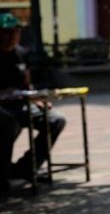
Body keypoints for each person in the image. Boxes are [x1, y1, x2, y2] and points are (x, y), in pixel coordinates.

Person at [0, 13, 66, 196]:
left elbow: (26, 83)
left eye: (15, 33)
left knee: (55, 120)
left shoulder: (21, 54)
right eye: (7, 33)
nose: (12, 37)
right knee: (7, 124)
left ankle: (27, 168)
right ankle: (3, 173)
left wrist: (38, 100)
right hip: (3, 109)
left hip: (22, 104)